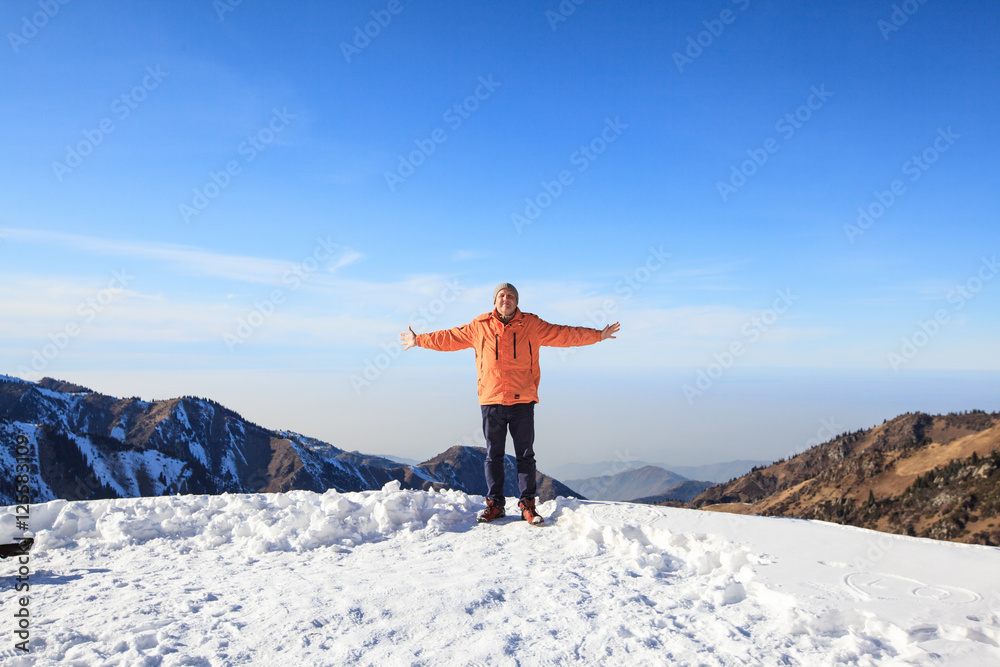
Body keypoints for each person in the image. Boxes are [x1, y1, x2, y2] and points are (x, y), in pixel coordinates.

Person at [400, 283, 619, 524]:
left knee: (525, 455)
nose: (506, 299)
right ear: (495, 301)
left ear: (517, 301)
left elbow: (564, 334)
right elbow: (449, 338)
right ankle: (495, 504)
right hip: (491, 399)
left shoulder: (531, 325)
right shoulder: (479, 326)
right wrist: (419, 340)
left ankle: (528, 505)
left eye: (511, 295)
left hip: (522, 399)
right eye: (502, 295)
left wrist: (598, 335)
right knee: (493, 455)